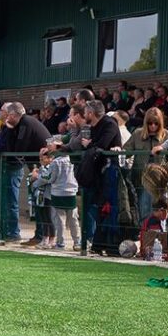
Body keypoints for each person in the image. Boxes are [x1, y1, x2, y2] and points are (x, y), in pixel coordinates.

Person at [0, 103, 52, 244]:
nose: (4, 117)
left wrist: (7, 131)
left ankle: (38, 235)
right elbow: (10, 145)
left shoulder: (25, 123)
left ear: (12, 115)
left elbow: (17, 147)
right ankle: (37, 235)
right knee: (35, 200)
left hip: (41, 164)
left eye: (6, 114)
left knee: (39, 201)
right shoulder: (17, 125)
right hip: (34, 164)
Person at [76, 100, 124, 255]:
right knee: (94, 206)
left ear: (91, 113)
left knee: (107, 208)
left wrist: (89, 144)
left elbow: (102, 145)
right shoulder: (92, 127)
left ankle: (109, 245)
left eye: (86, 112)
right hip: (96, 174)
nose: (84, 115)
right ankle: (99, 242)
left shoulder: (109, 124)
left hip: (109, 173)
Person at [42, 152, 78, 250]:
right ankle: (77, 242)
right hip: (71, 192)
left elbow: (50, 178)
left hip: (58, 193)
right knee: (73, 219)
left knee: (59, 220)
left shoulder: (55, 162)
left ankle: (60, 243)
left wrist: (40, 176)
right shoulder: (73, 159)